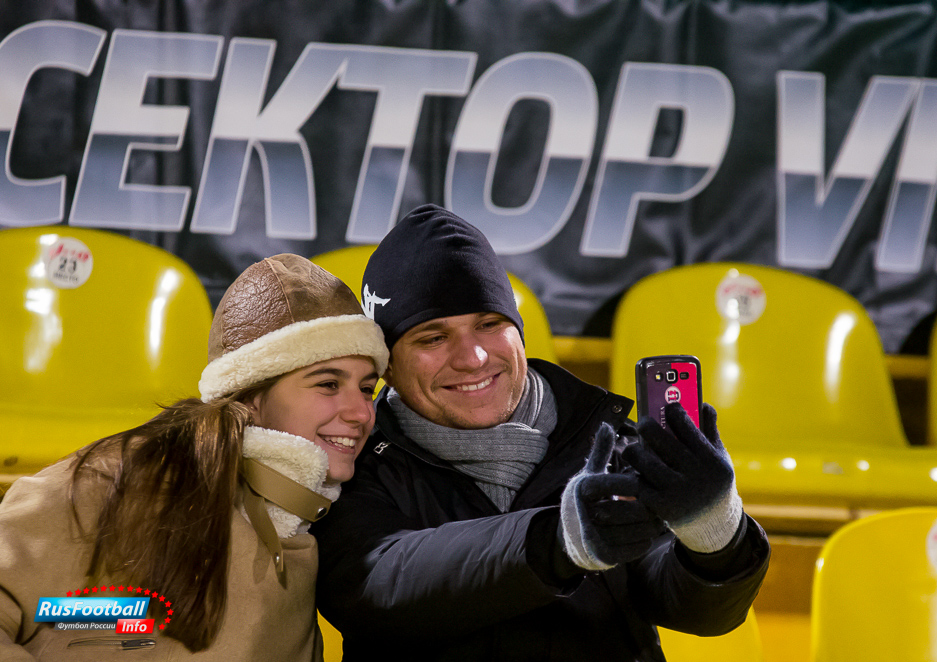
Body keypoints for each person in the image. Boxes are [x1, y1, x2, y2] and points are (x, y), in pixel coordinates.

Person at [313, 204, 770, 661]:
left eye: (490, 324)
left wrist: (714, 530)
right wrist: (557, 540)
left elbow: (699, 614)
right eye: (433, 337)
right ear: (388, 366)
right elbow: (378, 587)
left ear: (519, 333)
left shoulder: (613, 443)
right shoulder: (352, 460)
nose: (473, 358)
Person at [0, 254, 389, 660]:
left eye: (367, 388)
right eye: (328, 384)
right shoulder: (125, 480)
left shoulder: (308, 526)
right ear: (250, 396)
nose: (362, 413)